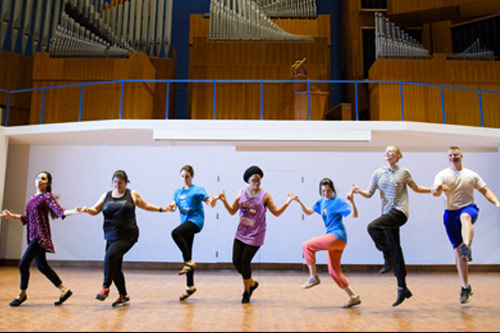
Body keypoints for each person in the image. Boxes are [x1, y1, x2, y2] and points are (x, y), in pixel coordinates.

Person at [351, 146, 431, 307]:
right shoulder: (378, 173)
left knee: (372, 227)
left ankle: (387, 257)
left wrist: (433, 189)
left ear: (398, 156)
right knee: (396, 249)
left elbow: (416, 188)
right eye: (386, 151)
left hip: (400, 212)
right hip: (387, 214)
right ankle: (403, 288)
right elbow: (369, 193)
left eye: (391, 151)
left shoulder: (404, 172)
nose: (388, 153)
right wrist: (359, 192)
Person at [81, 170, 166, 307]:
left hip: (128, 235)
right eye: (115, 182)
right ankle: (123, 295)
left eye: (120, 183)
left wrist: (161, 209)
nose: (117, 185)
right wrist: (86, 209)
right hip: (111, 235)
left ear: (126, 182)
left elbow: (145, 205)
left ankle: (105, 287)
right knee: (114, 266)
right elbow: (95, 210)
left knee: (109, 256)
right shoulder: (107, 195)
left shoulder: (131, 194)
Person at [1, 171, 81, 307]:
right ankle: (64, 290)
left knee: (23, 264)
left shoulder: (47, 197)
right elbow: (26, 217)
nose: (39, 180)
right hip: (33, 236)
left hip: (40, 236)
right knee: (42, 266)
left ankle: (22, 294)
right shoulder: (33, 198)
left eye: (43, 179)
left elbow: (60, 211)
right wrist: (10, 216)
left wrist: (74, 211)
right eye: (38, 177)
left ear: (48, 183)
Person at [432, 146, 500, 304]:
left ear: (461, 156)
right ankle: (465, 287)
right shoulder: (442, 175)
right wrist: (438, 188)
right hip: (450, 213)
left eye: (455, 155)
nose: (453, 157)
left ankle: (467, 246)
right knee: (458, 253)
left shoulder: (471, 175)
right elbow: (435, 192)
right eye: (450, 155)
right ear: (447, 157)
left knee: (465, 217)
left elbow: (485, 191)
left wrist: (497, 202)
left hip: (468, 207)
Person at [217, 165, 294, 303]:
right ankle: (251, 283)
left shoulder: (265, 195)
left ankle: (246, 292)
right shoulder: (241, 192)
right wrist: (224, 201)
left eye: (259, 180)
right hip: (241, 232)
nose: (256, 183)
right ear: (248, 180)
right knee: (236, 261)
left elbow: (276, 212)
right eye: (253, 180)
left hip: (256, 234)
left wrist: (287, 203)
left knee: (245, 262)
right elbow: (232, 211)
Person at [294, 178, 361, 308]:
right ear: (320, 191)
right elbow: (308, 212)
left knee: (307, 246)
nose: (326, 193)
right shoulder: (321, 201)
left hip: (337, 236)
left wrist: (352, 201)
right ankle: (353, 297)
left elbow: (354, 215)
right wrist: (299, 202)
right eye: (323, 191)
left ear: (333, 190)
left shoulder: (338, 202)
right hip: (335, 239)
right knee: (334, 271)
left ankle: (313, 276)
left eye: (329, 191)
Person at [163, 165, 219, 301]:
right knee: (187, 252)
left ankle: (189, 262)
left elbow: (210, 203)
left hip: (196, 222)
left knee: (175, 233)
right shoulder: (177, 192)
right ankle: (190, 287)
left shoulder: (198, 190)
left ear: (192, 176)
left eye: (187, 176)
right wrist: (170, 208)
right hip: (185, 224)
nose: (184, 179)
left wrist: (215, 199)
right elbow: (173, 205)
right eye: (182, 176)